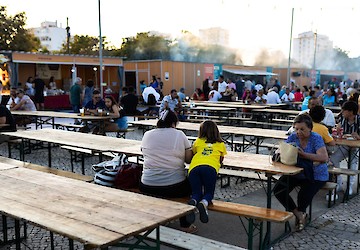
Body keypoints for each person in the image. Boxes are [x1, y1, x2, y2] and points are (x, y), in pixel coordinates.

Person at [139, 109, 195, 233]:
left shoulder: (147, 134)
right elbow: (188, 160)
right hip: (173, 187)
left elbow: (143, 153)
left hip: (147, 184)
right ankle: (185, 224)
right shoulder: (179, 134)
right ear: (174, 123)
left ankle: (153, 216)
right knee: (192, 184)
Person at [274, 114, 329, 232]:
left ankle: (300, 215)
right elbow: (281, 148)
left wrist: (303, 155)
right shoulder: (293, 136)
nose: (298, 132)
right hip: (297, 171)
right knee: (279, 190)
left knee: (303, 195)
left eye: (302, 129)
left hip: (316, 174)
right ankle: (299, 215)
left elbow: (323, 157)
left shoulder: (316, 138)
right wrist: (280, 151)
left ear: (310, 128)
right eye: (296, 128)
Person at [186, 120, 227, 224]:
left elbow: (193, 153)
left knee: (196, 193)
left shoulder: (198, 141)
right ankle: (204, 203)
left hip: (194, 168)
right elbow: (221, 159)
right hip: (210, 168)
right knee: (209, 193)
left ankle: (193, 202)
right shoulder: (220, 144)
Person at [329, 101, 360, 196]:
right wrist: (337, 131)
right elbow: (339, 130)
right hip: (345, 145)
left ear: (350, 112)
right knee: (333, 159)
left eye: (344, 110)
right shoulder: (342, 119)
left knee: (352, 162)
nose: (342, 112)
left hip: (356, 147)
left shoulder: (359, 120)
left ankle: (349, 186)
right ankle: (339, 183)